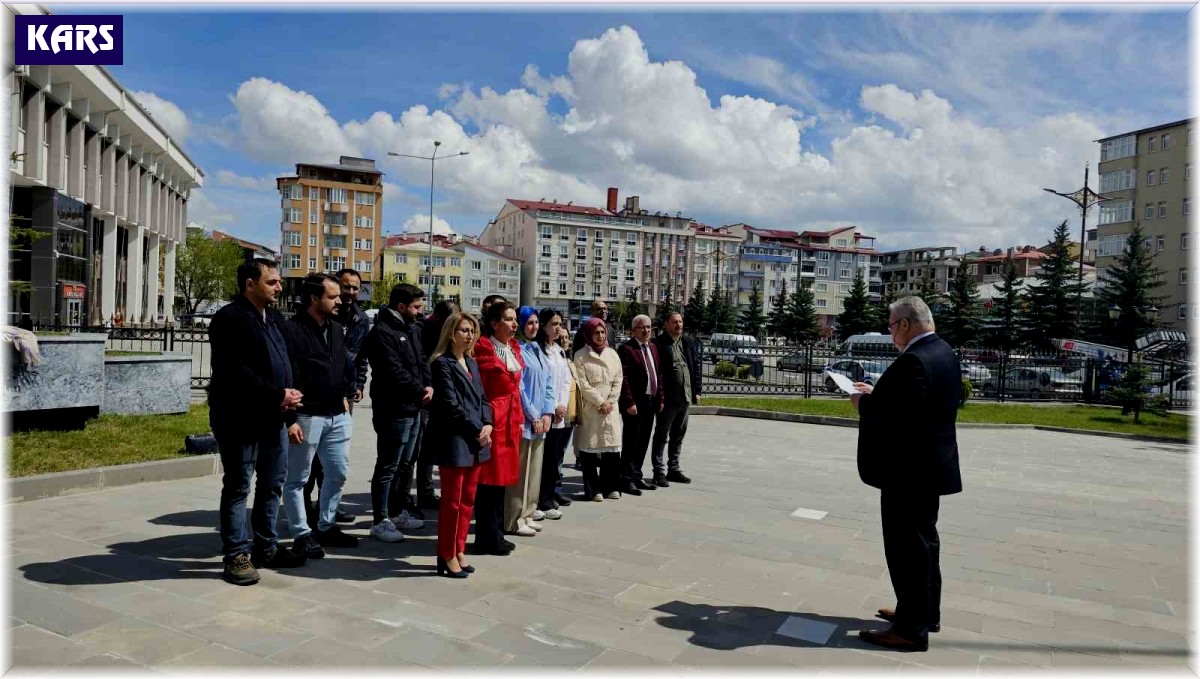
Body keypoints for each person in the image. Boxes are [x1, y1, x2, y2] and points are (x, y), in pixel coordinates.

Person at [850, 296, 962, 652]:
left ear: (904, 324)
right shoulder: (943, 351)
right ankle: (925, 612)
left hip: (908, 472)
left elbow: (900, 419)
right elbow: (919, 404)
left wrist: (863, 403)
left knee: (907, 549)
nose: (890, 332)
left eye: (890, 325)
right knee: (926, 543)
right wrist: (879, 394)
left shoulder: (913, 359)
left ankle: (911, 629)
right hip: (930, 467)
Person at [208, 259, 306, 586]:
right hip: (239, 417)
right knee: (238, 486)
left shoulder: (274, 318)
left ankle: (267, 547)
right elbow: (234, 372)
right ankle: (236, 554)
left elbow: (286, 364)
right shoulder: (228, 319)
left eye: (278, 282)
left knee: (272, 484)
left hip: (274, 418)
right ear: (250, 284)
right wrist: (278, 394)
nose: (279, 288)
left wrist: (289, 412)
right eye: (272, 282)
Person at [280, 274, 358, 560]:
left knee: (337, 473)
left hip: (337, 414)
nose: (340, 301)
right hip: (307, 416)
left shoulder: (336, 328)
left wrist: (348, 393)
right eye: (333, 296)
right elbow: (289, 373)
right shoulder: (292, 330)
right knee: (297, 479)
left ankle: (326, 525)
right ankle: (302, 533)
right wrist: (290, 419)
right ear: (314, 298)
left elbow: (343, 364)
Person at [363, 283, 430, 543]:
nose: (420, 311)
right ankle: (380, 520)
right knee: (388, 466)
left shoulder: (410, 328)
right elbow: (392, 371)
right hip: (393, 409)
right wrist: (419, 389)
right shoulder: (382, 332)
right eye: (416, 307)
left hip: (413, 407)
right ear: (401, 306)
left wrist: (428, 386)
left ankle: (397, 510)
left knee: (406, 463)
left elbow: (421, 360)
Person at [427, 312, 493, 578]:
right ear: (451, 333)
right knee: (452, 503)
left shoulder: (472, 363)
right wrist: (477, 428)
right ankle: (446, 554)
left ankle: (459, 549)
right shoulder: (441, 364)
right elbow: (451, 405)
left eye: (472, 331)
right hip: (455, 439)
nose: (469, 335)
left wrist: (488, 424)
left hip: (477, 439)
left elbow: (483, 399)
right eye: (464, 330)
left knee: (468, 500)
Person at [303, 268, 368, 529]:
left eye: (355, 288)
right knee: (310, 459)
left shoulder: (360, 318)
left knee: (334, 457)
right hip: (317, 394)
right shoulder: (323, 315)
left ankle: (328, 507)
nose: (349, 293)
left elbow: (359, 355)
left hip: (343, 391)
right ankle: (306, 509)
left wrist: (357, 384)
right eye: (345, 287)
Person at [472, 300, 525, 555]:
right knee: (488, 483)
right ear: (494, 323)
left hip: (511, 419)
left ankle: (497, 533)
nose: (514, 324)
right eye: (508, 319)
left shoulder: (512, 347)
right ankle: (486, 537)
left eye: (515, 319)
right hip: (493, 419)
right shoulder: (483, 348)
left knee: (502, 481)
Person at [505, 307, 556, 537]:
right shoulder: (517, 350)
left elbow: (548, 385)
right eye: (530, 323)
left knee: (534, 472)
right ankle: (514, 518)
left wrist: (547, 413)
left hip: (540, 422)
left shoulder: (537, 349)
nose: (534, 327)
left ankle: (528, 513)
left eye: (536, 323)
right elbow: (520, 387)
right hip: (525, 421)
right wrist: (534, 415)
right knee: (520, 473)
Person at [573, 317, 624, 501]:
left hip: (610, 408)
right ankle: (593, 489)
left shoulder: (613, 354)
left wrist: (610, 401)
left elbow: (618, 379)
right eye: (596, 333)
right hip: (592, 408)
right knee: (589, 450)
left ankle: (611, 486)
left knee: (611, 448)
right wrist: (600, 402)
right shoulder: (580, 355)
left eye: (602, 332)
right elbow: (583, 384)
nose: (600, 336)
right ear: (589, 334)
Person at [650, 311, 701, 487]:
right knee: (662, 435)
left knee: (678, 434)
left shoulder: (687, 341)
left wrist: (697, 390)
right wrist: (660, 397)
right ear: (666, 324)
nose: (678, 325)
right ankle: (658, 471)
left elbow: (695, 365)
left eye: (680, 322)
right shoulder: (659, 344)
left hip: (684, 397)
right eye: (674, 322)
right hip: (668, 400)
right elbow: (658, 373)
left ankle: (674, 468)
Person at [618, 314, 663, 496]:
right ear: (633, 330)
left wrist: (660, 399)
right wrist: (629, 402)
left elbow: (658, 375)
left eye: (649, 327)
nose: (646, 331)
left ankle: (637, 475)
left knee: (643, 440)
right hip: (634, 403)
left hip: (650, 401)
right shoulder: (627, 349)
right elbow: (624, 378)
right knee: (631, 441)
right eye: (642, 327)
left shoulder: (653, 347)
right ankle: (626, 479)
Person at [537, 308, 573, 516]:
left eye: (559, 323)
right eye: (553, 324)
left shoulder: (559, 350)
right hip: (546, 413)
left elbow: (565, 380)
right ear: (544, 326)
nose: (558, 327)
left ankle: (550, 496)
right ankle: (542, 499)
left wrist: (563, 405)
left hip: (560, 411)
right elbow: (542, 383)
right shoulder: (539, 350)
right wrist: (552, 408)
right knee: (545, 459)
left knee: (555, 458)